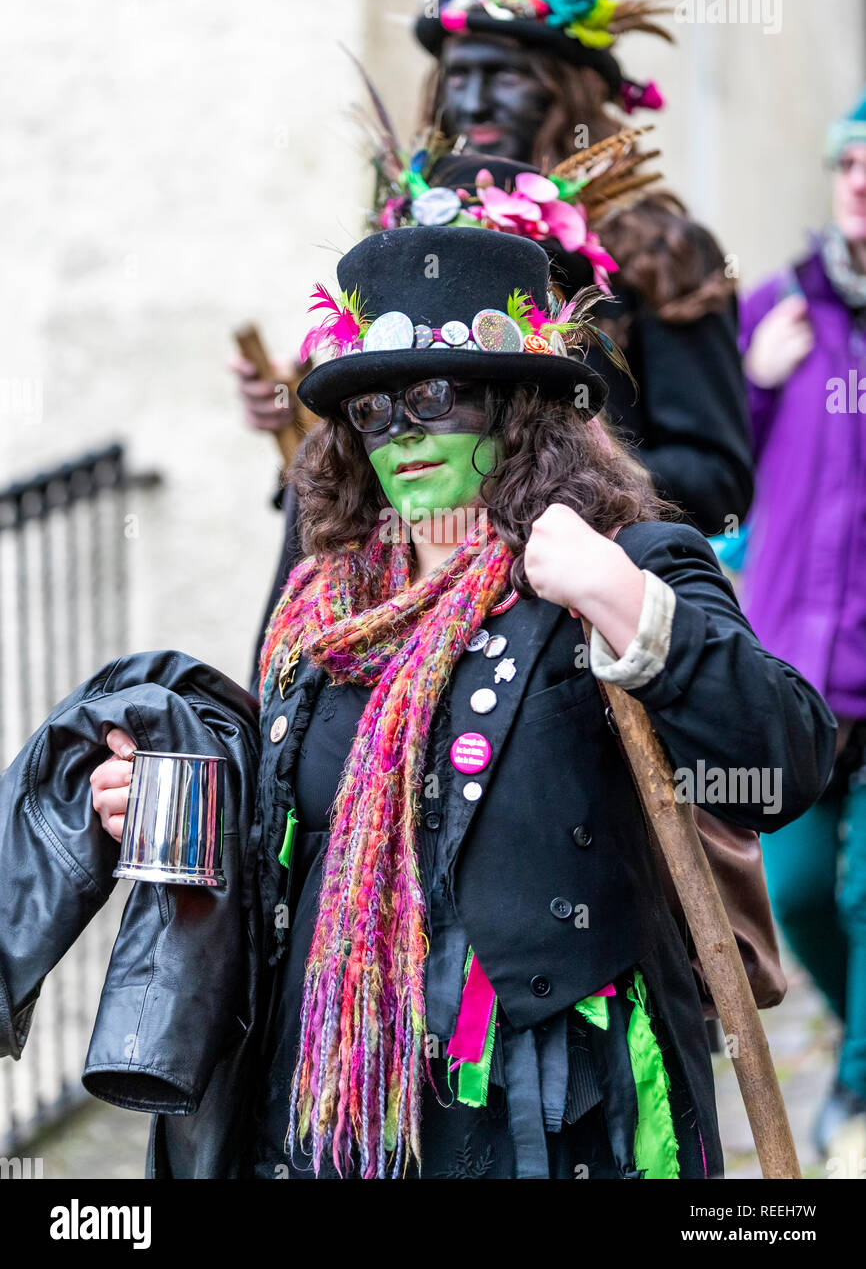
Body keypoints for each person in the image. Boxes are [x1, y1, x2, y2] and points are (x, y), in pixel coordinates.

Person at [94, 226, 834, 1178]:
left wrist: (623, 603)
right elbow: (297, 841)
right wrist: (173, 801)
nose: (399, 432)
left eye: (433, 397)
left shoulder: (625, 559)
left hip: (545, 1116)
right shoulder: (325, 605)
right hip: (333, 1099)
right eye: (372, 409)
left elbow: (782, 764)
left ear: (520, 409)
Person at [238, 0, 753, 675]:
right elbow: (361, 462)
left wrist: (538, 471)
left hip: (561, 630)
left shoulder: (658, 252)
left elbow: (718, 481)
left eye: (504, 74)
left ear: (570, 88)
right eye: (457, 75)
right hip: (388, 619)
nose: (472, 102)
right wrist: (301, 412)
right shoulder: (404, 242)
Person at [737, 90, 866, 1164]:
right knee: (793, 888)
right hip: (793, 678)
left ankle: (857, 1097)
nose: (861, 180)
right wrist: (753, 385)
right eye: (850, 161)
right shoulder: (775, 311)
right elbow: (710, 477)